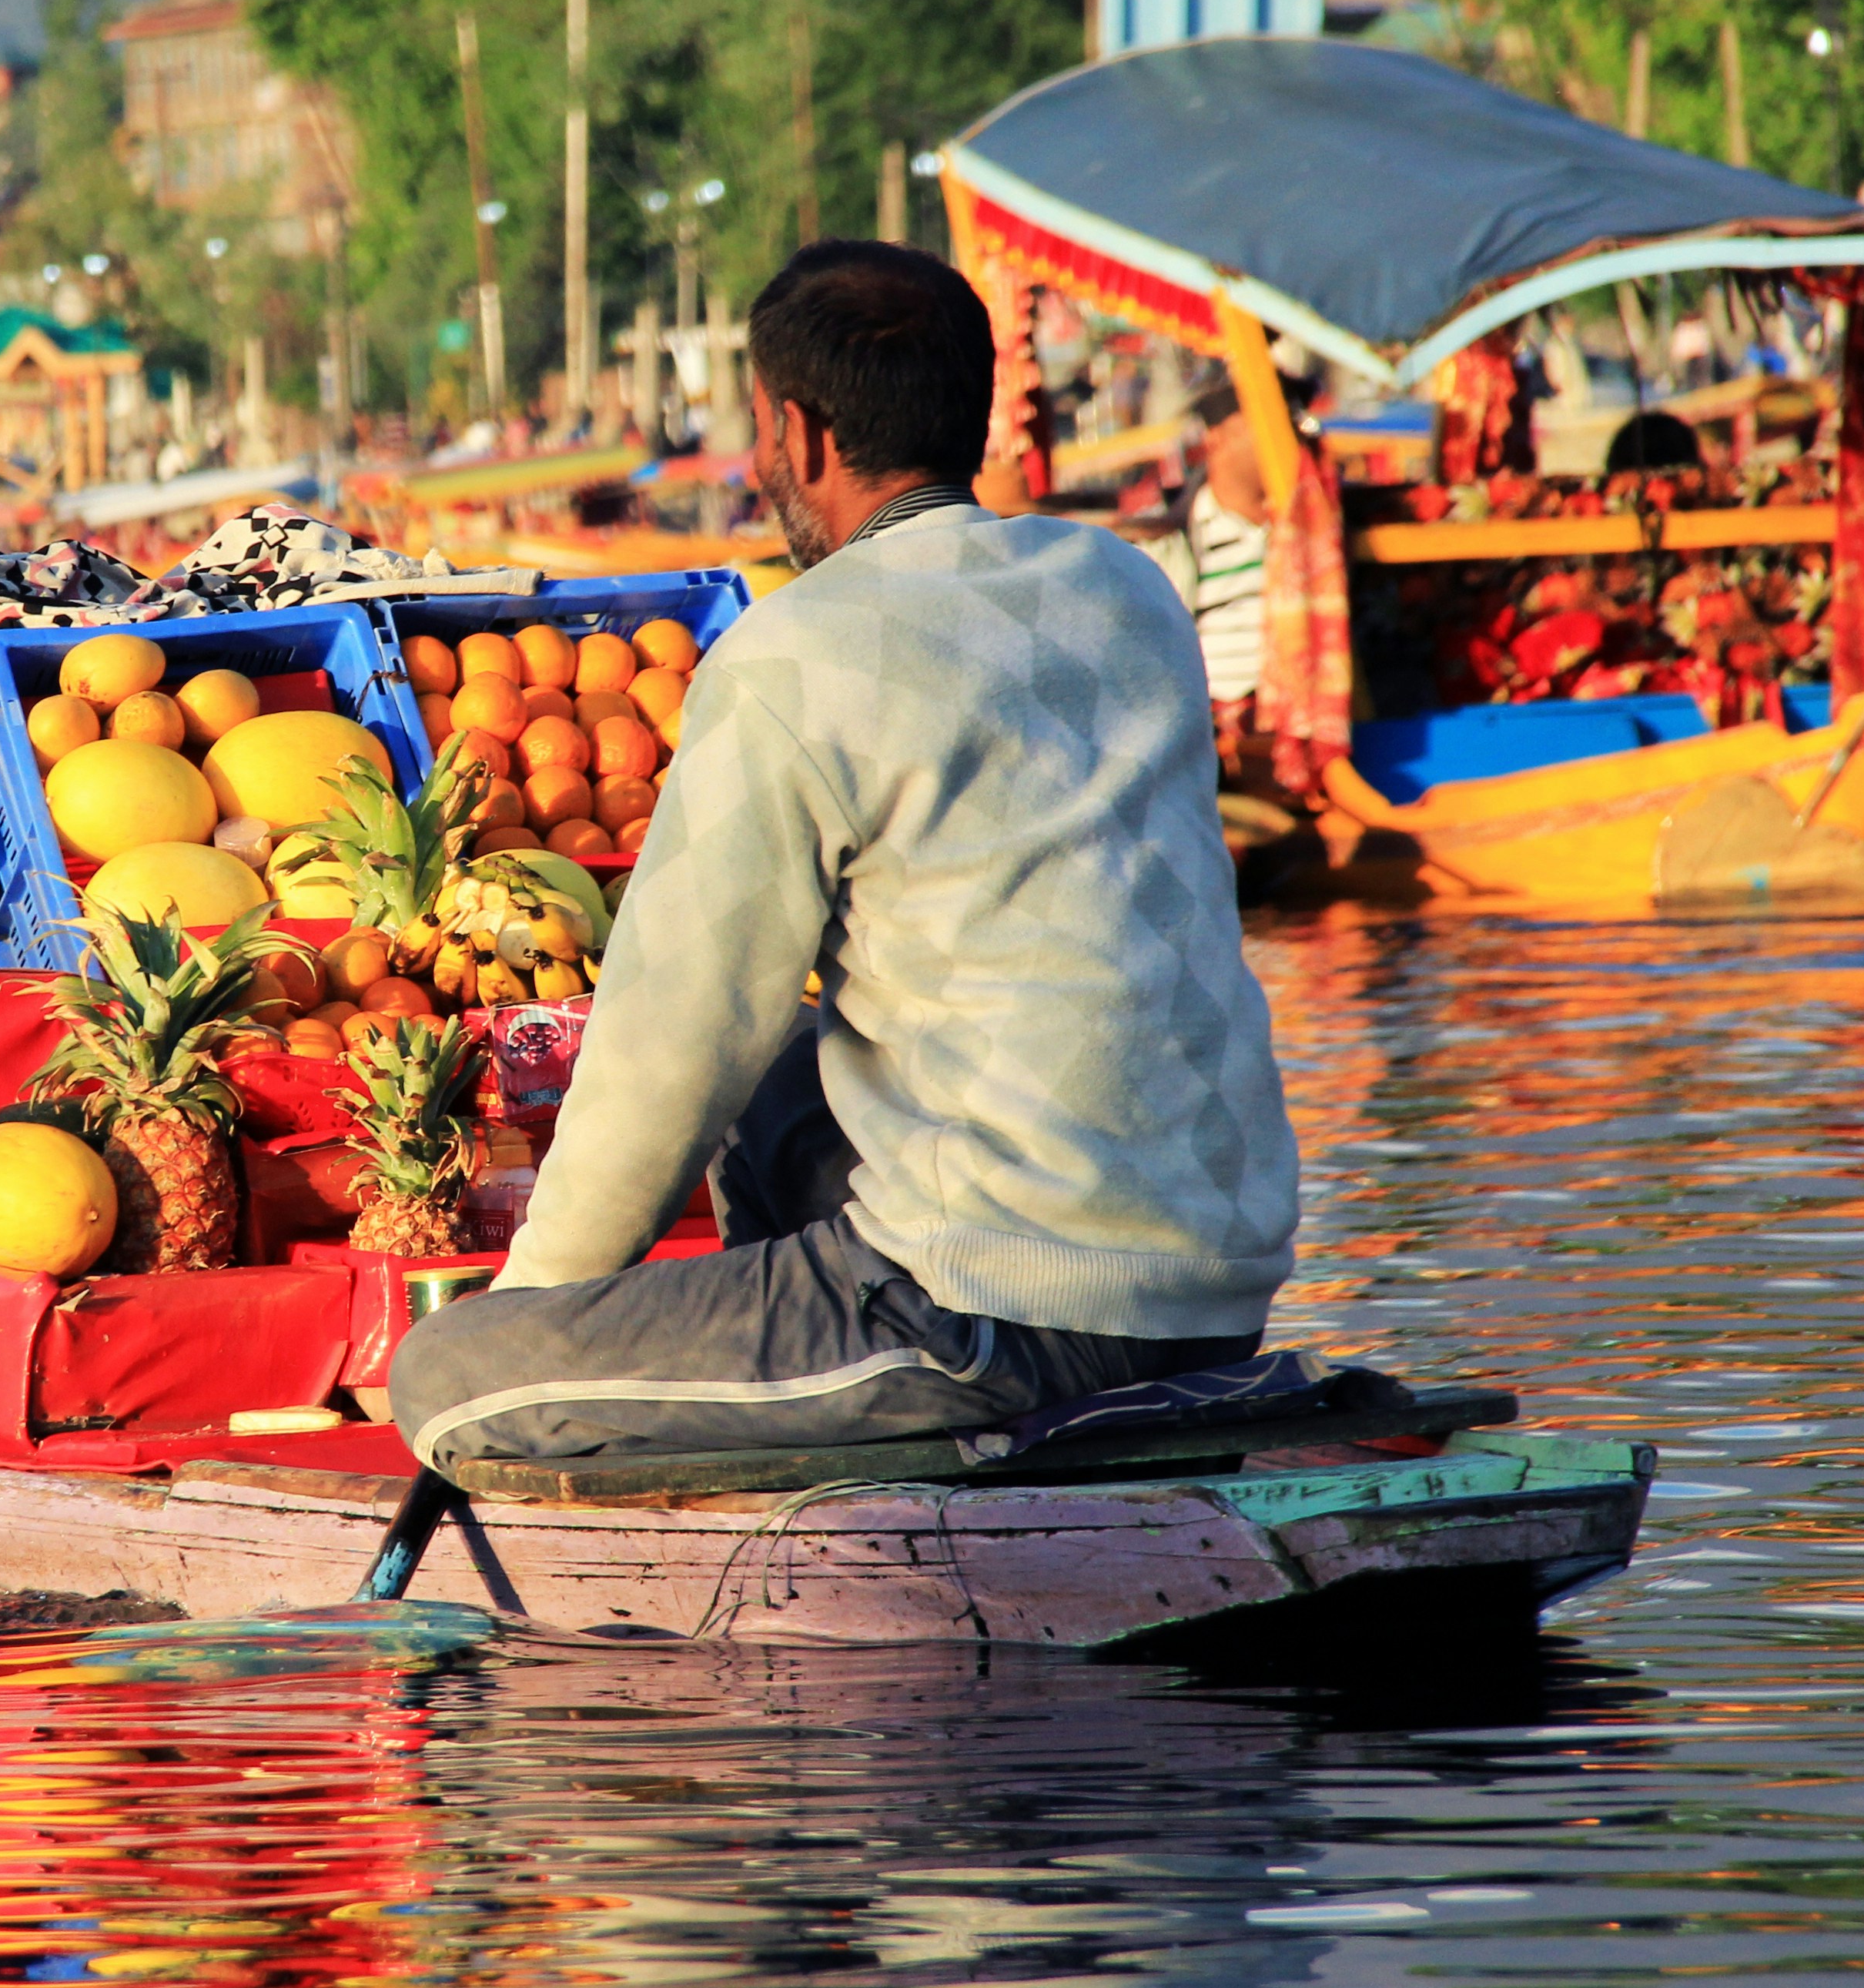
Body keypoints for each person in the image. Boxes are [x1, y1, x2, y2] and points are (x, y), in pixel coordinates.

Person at [387, 242, 1301, 1471]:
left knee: (446, 1381)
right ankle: (838, 1400)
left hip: (995, 1312)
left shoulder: (793, 655)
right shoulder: (1125, 589)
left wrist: (537, 1312)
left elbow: (671, 1040)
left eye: (762, 435)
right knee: (772, 1091)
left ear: (798, 432)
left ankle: (878, 1445)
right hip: (1215, 1290)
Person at [1144, 373, 1276, 761]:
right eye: (1265, 420)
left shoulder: (1315, 523)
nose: (1284, 436)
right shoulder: (1167, 540)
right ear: (1216, 439)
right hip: (1212, 746)